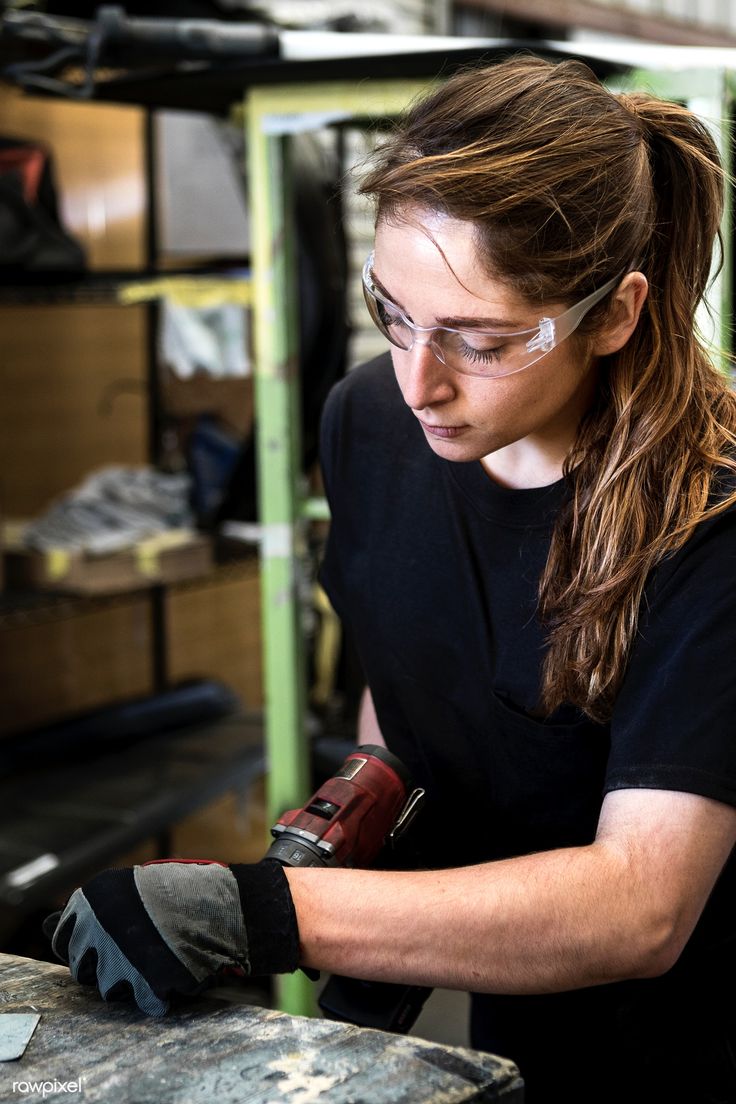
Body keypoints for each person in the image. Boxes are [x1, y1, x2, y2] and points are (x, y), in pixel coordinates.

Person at [46, 55, 736, 1102]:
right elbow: (407, 668)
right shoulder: (368, 421)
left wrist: (268, 911)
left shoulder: (711, 520)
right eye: (394, 311)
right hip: (517, 1012)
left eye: (482, 340)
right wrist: (368, 809)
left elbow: (638, 905)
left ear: (612, 314)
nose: (422, 379)